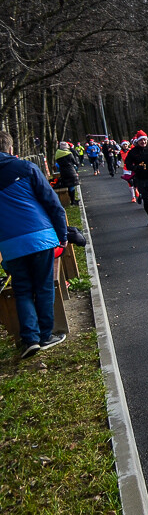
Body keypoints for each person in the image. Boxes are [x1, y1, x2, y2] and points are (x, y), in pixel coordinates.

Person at [0, 130, 68, 358]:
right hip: (40, 237)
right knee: (44, 286)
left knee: (23, 291)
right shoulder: (26, 168)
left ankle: (30, 339)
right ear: (10, 149)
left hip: (10, 244)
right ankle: (45, 335)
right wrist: (63, 235)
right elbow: (52, 202)